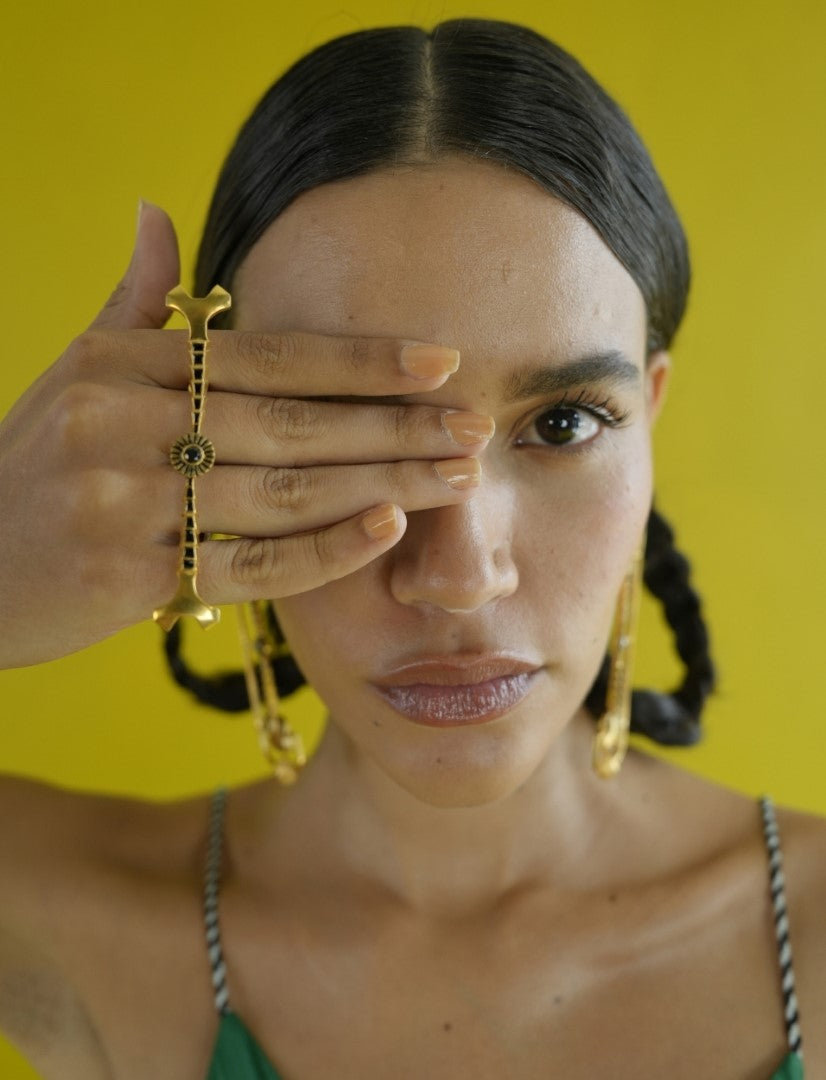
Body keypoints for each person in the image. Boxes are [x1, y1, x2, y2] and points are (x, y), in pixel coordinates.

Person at [0, 17, 822, 1080]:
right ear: (212, 444)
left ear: (648, 416)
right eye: (345, 425)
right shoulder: (70, 915)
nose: (457, 571)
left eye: (563, 423)